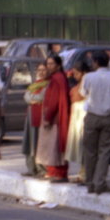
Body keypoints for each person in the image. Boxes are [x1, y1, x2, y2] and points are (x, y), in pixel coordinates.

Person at [80, 50, 110, 195]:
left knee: (90, 151)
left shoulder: (88, 77)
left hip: (92, 116)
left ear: (95, 62)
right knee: (105, 152)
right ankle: (100, 184)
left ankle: (90, 183)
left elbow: (83, 93)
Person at [38, 53, 71, 182]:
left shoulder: (57, 78)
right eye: (48, 64)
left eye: (52, 64)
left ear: (58, 65)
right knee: (53, 146)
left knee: (55, 145)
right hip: (54, 116)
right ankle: (53, 171)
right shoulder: (56, 78)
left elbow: (54, 101)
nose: (49, 66)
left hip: (55, 118)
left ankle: (59, 173)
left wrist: (48, 116)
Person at [63, 55, 91, 183]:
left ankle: (85, 173)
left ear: (84, 73)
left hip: (82, 116)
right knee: (81, 146)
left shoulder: (86, 84)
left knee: (84, 145)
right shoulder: (79, 84)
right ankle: (82, 172)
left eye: (77, 73)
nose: (74, 76)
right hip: (77, 116)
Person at [21, 63, 50, 177]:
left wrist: (31, 98)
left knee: (38, 143)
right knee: (29, 142)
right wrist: (32, 99)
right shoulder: (35, 85)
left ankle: (41, 169)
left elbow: (41, 97)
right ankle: (31, 168)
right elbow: (26, 97)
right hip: (30, 117)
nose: (41, 72)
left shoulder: (48, 85)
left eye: (44, 70)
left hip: (41, 117)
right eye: (39, 69)